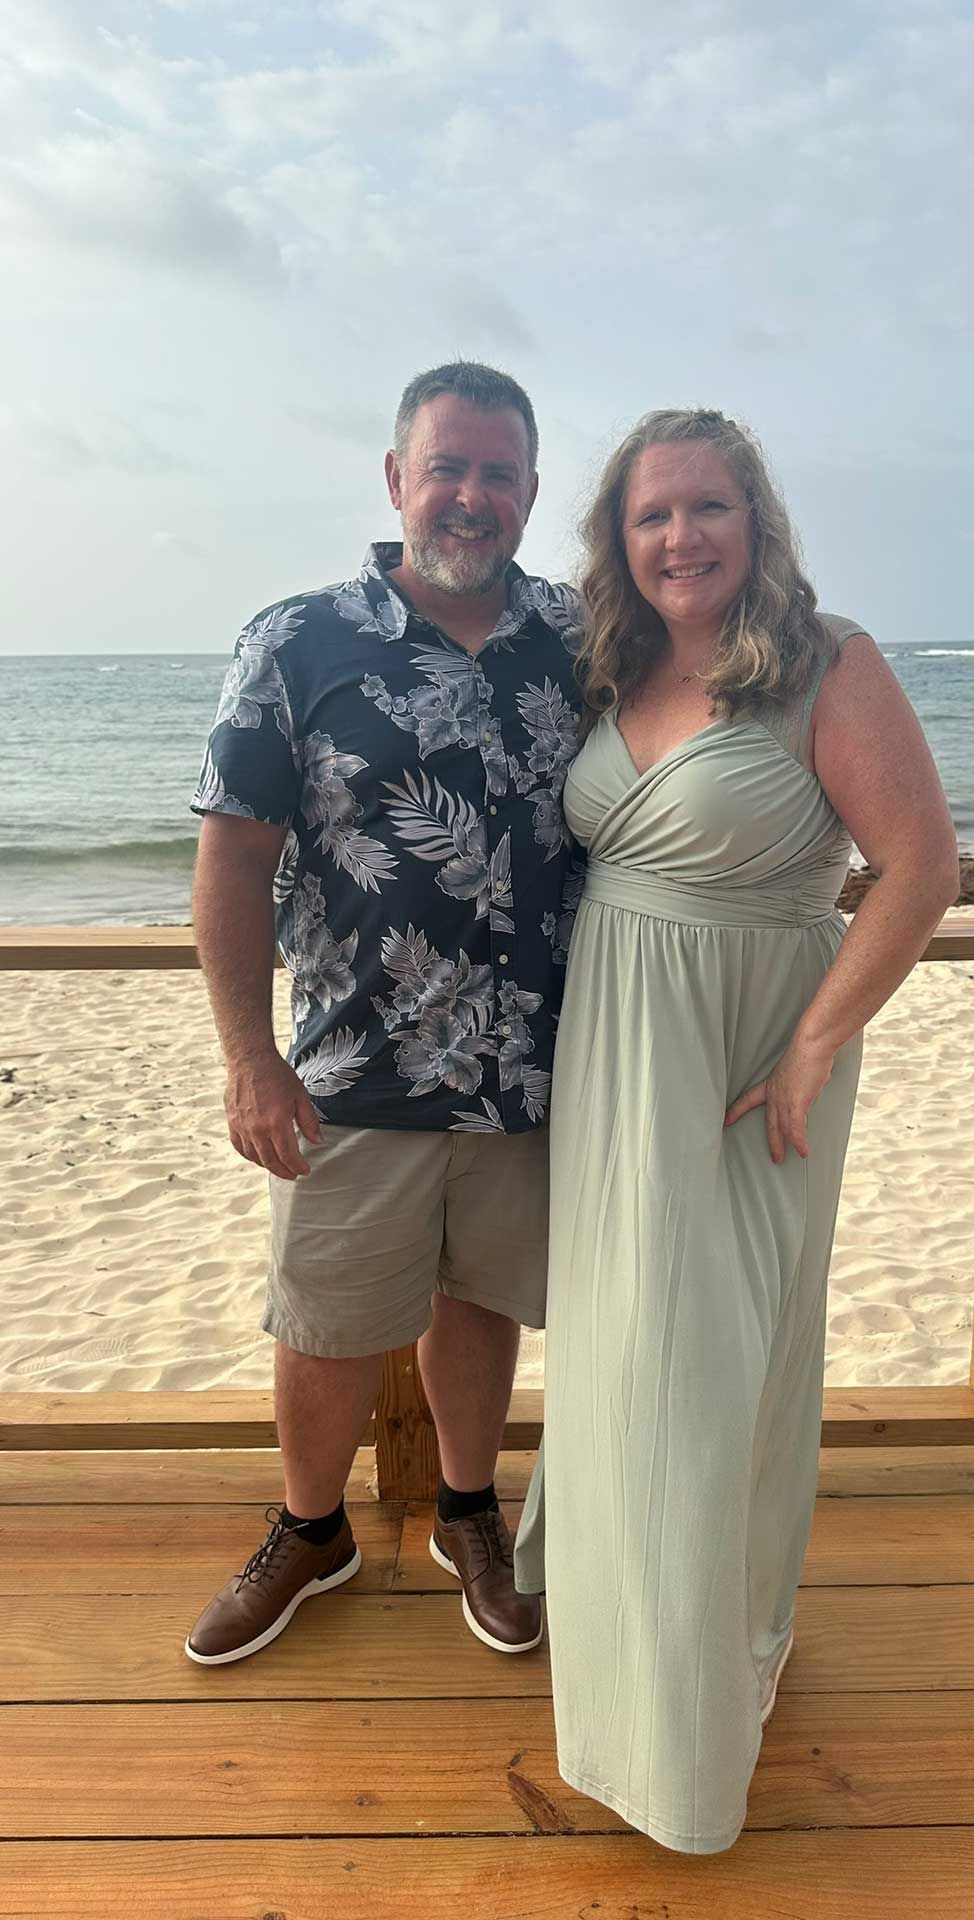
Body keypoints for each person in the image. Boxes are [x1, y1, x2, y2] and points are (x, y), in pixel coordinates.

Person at [512, 408, 959, 1852]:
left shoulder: (828, 663)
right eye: (651, 516)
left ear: (753, 520)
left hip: (748, 1070)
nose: (679, 537)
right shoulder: (616, 666)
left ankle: (697, 1716)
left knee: (715, 1373)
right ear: (618, 540)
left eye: (707, 508)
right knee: (625, 1348)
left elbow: (920, 868)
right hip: (612, 1057)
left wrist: (818, 1045)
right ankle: (625, 1656)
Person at [185, 361, 581, 1666]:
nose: (472, 496)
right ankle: (312, 1530)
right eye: (449, 468)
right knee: (326, 1314)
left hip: (535, 1068)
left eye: (500, 473)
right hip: (356, 1060)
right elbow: (233, 857)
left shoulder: (582, 639)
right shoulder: (299, 641)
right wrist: (250, 1059)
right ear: (397, 479)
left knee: (484, 1302)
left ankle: (468, 1513)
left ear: (530, 492)